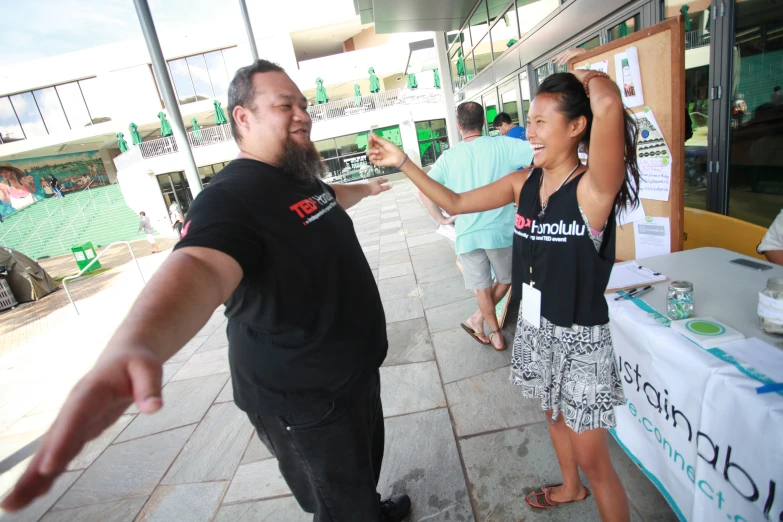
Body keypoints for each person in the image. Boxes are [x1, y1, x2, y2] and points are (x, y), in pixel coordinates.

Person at [0, 59, 410, 522]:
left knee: (358, 478)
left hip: (351, 376)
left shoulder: (294, 177)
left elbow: (325, 198)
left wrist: (366, 188)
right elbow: (199, 264)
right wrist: (138, 344)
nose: (303, 114)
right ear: (243, 117)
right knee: (339, 506)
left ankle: (368, 507)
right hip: (306, 399)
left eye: (303, 104)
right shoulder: (229, 197)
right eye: (284, 105)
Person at [368, 67, 640, 522]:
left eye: (541, 123)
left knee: (597, 461)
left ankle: (584, 481)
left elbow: (609, 104)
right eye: (528, 121)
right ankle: (570, 488)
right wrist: (403, 164)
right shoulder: (523, 184)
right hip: (535, 327)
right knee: (552, 416)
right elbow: (454, 204)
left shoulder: (593, 189)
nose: (529, 133)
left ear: (577, 127)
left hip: (579, 340)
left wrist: (587, 74)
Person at [421, 101, 533, 350]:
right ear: (483, 122)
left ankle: (490, 329)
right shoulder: (504, 145)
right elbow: (538, 157)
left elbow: (424, 189)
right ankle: (480, 321)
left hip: (467, 233)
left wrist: (441, 219)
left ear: (459, 126)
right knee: (506, 280)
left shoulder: (448, 158)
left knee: (481, 288)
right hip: (500, 232)